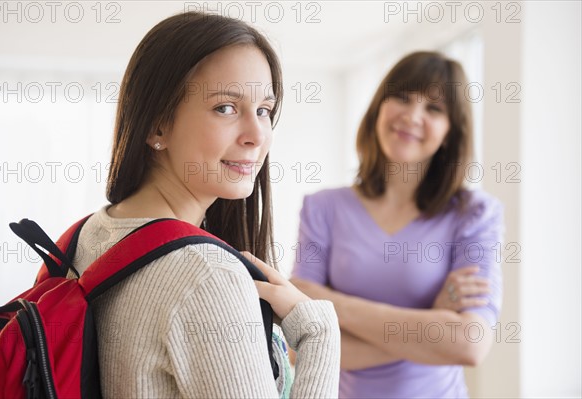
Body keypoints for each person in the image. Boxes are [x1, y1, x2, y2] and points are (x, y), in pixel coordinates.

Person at [72, 12, 340, 398]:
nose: (256, 135)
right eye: (225, 108)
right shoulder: (207, 274)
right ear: (157, 126)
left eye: (264, 109)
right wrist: (319, 332)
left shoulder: (87, 234)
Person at [290, 51, 504, 398]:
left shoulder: (475, 213)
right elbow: (298, 348)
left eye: (434, 108)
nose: (412, 115)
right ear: (378, 108)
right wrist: (432, 321)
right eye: (402, 97)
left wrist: (328, 304)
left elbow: (469, 344)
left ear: (451, 131)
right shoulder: (322, 207)